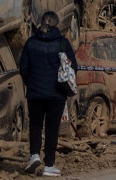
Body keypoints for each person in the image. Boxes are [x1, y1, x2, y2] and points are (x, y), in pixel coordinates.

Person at [18, 11, 77, 177]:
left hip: (35, 93)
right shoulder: (63, 43)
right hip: (56, 94)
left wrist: (31, 83)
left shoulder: (31, 42)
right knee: (52, 129)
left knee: (35, 125)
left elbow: (23, 67)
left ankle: (34, 155)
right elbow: (73, 68)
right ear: (57, 24)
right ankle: (49, 165)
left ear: (40, 23)